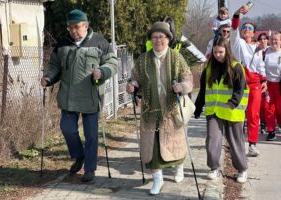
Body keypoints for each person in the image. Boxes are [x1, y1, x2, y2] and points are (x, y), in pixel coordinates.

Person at [40, 9, 117, 182]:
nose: (73, 31)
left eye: (76, 27)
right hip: (68, 96)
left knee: (91, 135)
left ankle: (90, 169)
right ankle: (79, 156)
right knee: (67, 129)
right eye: (70, 28)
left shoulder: (99, 41)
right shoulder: (62, 43)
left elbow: (112, 63)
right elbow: (55, 66)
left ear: (86, 25)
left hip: (91, 96)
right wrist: (49, 77)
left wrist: (102, 71)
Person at [126, 21, 193, 195]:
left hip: (171, 110)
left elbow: (188, 79)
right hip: (150, 110)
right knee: (151, 149)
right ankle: (158, 179)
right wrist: (132, 85)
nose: (158, 40)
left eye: (161, 37)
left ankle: (179, 167)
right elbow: (135, 78)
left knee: (175, 143)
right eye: (154, 37)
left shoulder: (176, 58)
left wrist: (182, 87)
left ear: (168, 39)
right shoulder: (142, 59)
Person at [194, 37, 249, 183]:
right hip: (214, 111)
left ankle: (242, 170)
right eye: (215, 52)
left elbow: (240, 89)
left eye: (221, 52)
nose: (218, 55)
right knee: (212, 140)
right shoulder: (208, 68)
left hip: (232, 110)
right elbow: (203, 90)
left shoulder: (236, 66)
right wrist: (198, 107)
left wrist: (233, 102)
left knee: (236, 141)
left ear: (227, 51)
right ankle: (214, 168)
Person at [230, 6, 267, 157]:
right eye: (244, 27)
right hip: (240, 82)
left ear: (254, 32)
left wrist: (264, 80)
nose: (246, 29)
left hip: (255, 84)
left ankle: (252, 144)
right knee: (239, 114)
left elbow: (260, 66)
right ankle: (238, 143)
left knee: (253, 114)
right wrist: (237, 14)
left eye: (249, 28)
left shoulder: (258, 49)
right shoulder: (237, 42)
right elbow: (233, 27)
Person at [264, 31, 281, 141]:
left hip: (279, 84)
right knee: (269, 108)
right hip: (268, 83)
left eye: (276, 39)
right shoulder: (266, 52)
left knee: (279, 109)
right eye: (272, 39)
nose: (274, 41)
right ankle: (271, 131)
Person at [257, 32, 270, 134]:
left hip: (270, 80)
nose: (263, 41)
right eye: (261, 39)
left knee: (267, 104)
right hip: (259, 79)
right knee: (261, 104)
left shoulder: (270, 50)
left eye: (265, 39)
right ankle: (263, 125)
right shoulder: (256, 51)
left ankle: (268, 124)